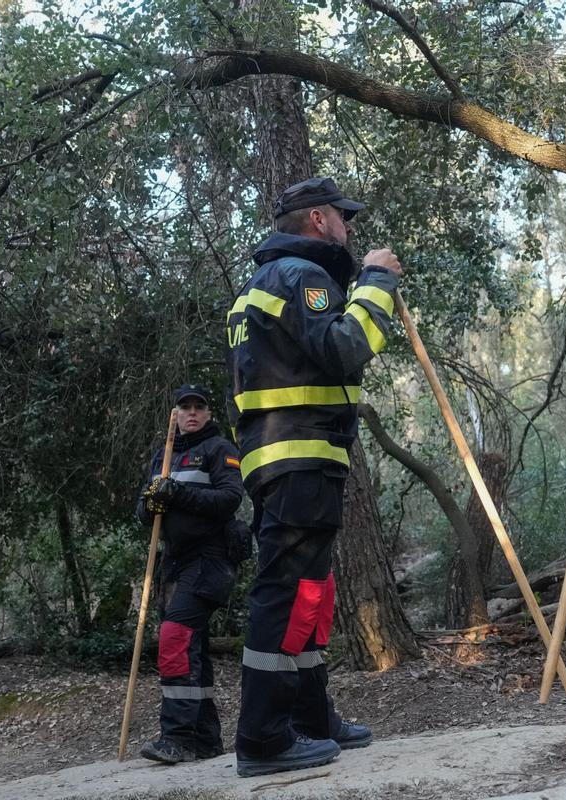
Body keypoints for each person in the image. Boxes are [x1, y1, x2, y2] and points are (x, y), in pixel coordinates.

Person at [225, 177, 402, 778]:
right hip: (299, 455)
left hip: (286, 458)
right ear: (320, 219)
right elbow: (345, 348)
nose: (349, 230)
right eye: (344, 218)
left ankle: (308, 717)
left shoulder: (259, 285)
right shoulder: (302, 277)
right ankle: (262, 738)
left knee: (309, 592)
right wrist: (376, 281)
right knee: (286, 591)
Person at [136, 383, 244, 763]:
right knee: (191, 645)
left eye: (199, 407)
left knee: (175, 637)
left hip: (210, 559)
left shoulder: (219, 449)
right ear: (176, 415)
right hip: (175, 562)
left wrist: (177, 495)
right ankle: (205, 740)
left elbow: (230, 498)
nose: (192, 413)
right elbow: (143, 512)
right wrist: (150, 504)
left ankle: (177, 738)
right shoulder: (162, 457)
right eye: (186, 407)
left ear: (208, 413)